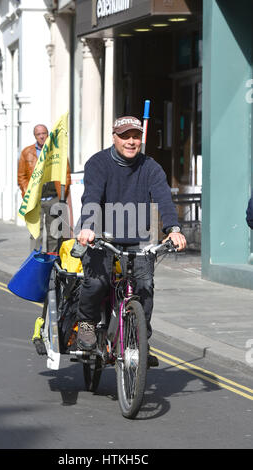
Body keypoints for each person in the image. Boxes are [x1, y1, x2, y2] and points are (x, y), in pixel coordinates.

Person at [76, 116, 186, 366]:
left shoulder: (150, 167)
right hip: (102, 235)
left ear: (141, 138)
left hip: (137, 237)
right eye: (125, 136)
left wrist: (174, 229)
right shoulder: (98, 163)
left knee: (145, 285)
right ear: (114, 137)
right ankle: (86, 324)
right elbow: (92, 197)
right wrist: (88, 228)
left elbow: (163, 199)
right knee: (97, 281)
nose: (131, 141)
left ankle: (139, 340)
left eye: (135, 136)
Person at [17, 124, 71, 253]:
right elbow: (21, 176)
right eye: (38, 134)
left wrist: (62, 195)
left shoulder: (58, 151)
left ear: (48, 134)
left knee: (54, 233)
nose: (41, 136)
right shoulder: (27, 152)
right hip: (35, 199)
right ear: (35, 136)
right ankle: (35, 261)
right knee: (36, 233)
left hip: (54, 197)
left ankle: (52, 261)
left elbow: (66, 174)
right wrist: (26, 193)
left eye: (44, 133)